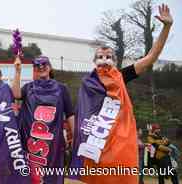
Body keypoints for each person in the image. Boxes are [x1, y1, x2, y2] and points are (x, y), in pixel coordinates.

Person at [69, 4, 173, 184]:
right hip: (96, 143)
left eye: (108, 56)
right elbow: (81, 113)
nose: (104, 60)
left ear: (115, 62)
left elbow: (151, 57)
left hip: (120, 143)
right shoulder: (88, 84)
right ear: (94, 62)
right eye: (100, 57)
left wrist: (166, 27)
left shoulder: (121, 76)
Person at [12, 56, 75, 184]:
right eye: (37, 66)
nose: (41, 67)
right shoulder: (29, 87)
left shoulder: (62, 88)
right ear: (34, 70)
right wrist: (18, 71)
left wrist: (75, 136)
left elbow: (70, 114)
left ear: (50, 67)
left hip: (54, 143)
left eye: (44, 64)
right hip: (32, 142)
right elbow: (16, 94)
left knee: (52, 175)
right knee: (32, 176)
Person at [0, 64, 29, 183]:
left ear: (0, 75)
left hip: (8, 137)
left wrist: (17, 71)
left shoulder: (6, 88)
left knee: (11, 170)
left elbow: (16, 95)